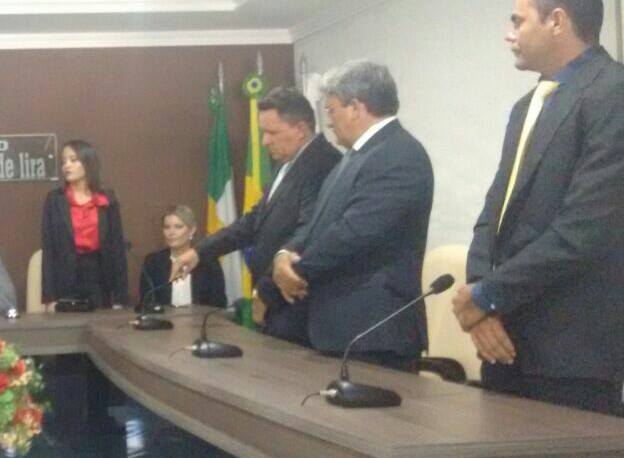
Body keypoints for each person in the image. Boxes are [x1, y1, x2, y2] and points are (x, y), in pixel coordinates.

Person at [454, 0, 623, 416]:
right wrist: (479, 297)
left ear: (557, 21)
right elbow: (494, 213)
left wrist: (487, 295)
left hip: (573, 355)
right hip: (502, 341)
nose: (509, 34)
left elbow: (584, 230)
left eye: (518, 21)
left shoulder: (613, 92)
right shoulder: (525, 107)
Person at [272, 60, 434, 371]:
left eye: (331, 110)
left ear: (356, 108)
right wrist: (284, 255)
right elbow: (317, 225)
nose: (328, 122)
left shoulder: (399, 154)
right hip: (341, 329)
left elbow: (354, 233)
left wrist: (296, 271)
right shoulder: (353, 159)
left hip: (374, 331)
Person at [171, 87, 341, 345]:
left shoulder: (323, 164)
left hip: (299, 307)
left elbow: (308, 236)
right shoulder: (286, 164)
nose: (264, 141)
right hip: (279, 307)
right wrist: (199, 252)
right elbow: (253, 222)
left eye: (272, 132)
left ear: (301, 128)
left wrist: (265, 291)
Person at [41, 139, 128, 310]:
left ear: (88, 163)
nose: (67, 166)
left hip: (99, 278)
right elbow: (48, 249)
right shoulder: (55, 199)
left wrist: (120, 297)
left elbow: (117, 248)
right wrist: (49, 297)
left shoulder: (107, 199)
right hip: (65, 279)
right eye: (64, 161)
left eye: (73, 160)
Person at [140, 205, 226, 309]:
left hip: (201, 319)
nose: (171, 233)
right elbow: (146, 304)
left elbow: (218, 304)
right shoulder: (153, 262)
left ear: (192, 230)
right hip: (163, 319)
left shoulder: (208, 262)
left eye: (178, 227)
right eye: (167, 227)